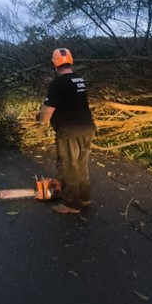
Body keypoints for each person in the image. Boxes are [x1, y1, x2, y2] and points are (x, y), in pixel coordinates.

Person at [36, 48, 97, 214]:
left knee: (69, 166)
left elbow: (48, 109)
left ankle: (71, 204)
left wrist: (42, 123)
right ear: (71, 61)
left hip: (70, 131)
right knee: (82, 164)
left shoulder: (58, 83)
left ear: (54, 65)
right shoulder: (79, 79)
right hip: (87, 127)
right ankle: (84, 198)